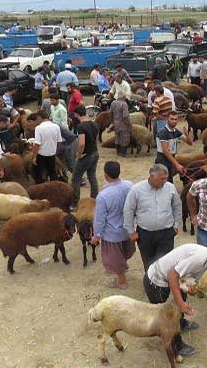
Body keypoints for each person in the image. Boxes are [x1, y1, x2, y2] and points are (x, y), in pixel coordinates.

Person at [144, 245, 207, 357]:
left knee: (181, 300)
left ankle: (181, 323)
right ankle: (177, 346)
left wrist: (191, 288)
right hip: (156, 282)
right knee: (168, 318)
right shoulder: (200, 258)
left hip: (168, 278)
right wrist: (180, 303)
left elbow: (187, 277)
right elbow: (172, 275)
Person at [123, 163, 182, 269]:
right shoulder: (136, 190)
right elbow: (128, 210)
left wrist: (176, 225)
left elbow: (177, 206)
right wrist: (131, 231)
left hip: (166, 233)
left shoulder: (170, 188)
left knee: (165, 263)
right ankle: (150, 284)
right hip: (145, 234)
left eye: (166, 178)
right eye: (161, 179)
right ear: (151, 176)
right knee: (148, 263)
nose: (164, 182)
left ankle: (165, 285)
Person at [91, 161, 136, 290]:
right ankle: (122, 268)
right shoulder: (129, 186)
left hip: (112, 233)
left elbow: (100, 218)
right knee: (124, 251)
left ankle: (121, 281)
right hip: (128, 229)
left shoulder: (103, 196)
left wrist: (96, 235)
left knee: (115, 259)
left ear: (105, 175)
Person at [156, 111, 193, 182]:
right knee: (165, 182)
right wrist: (177, 165)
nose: (173, 121)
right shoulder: (163, 132)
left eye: (175, 119)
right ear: (167, 119)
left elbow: (190, 143)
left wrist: (187, 135)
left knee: (168, 182)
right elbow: (165, 151)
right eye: (171, 119)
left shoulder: (175, 131)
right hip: (162, 159)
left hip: (171, 159)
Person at [72, 105, 99, 198]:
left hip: (86, 155)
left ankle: (75, 202)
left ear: (76, 114)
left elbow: (81, 143)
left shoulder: (80, 126)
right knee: (92, 177)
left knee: (76, 178)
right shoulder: (94, 123)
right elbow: (95, 139)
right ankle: (94, 198)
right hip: (95, 152)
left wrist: (79, 154)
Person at [31, 110, 62, 183]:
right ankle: (54, 187)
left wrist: (34, 156)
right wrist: (55, 150)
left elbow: (37, 144)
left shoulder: (39, 128)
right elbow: (59, 141)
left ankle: (40, 186)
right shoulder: (56, 126)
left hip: (41, 155)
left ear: (39, 117)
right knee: (52, 172)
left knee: (38, 173)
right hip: (52, 154)